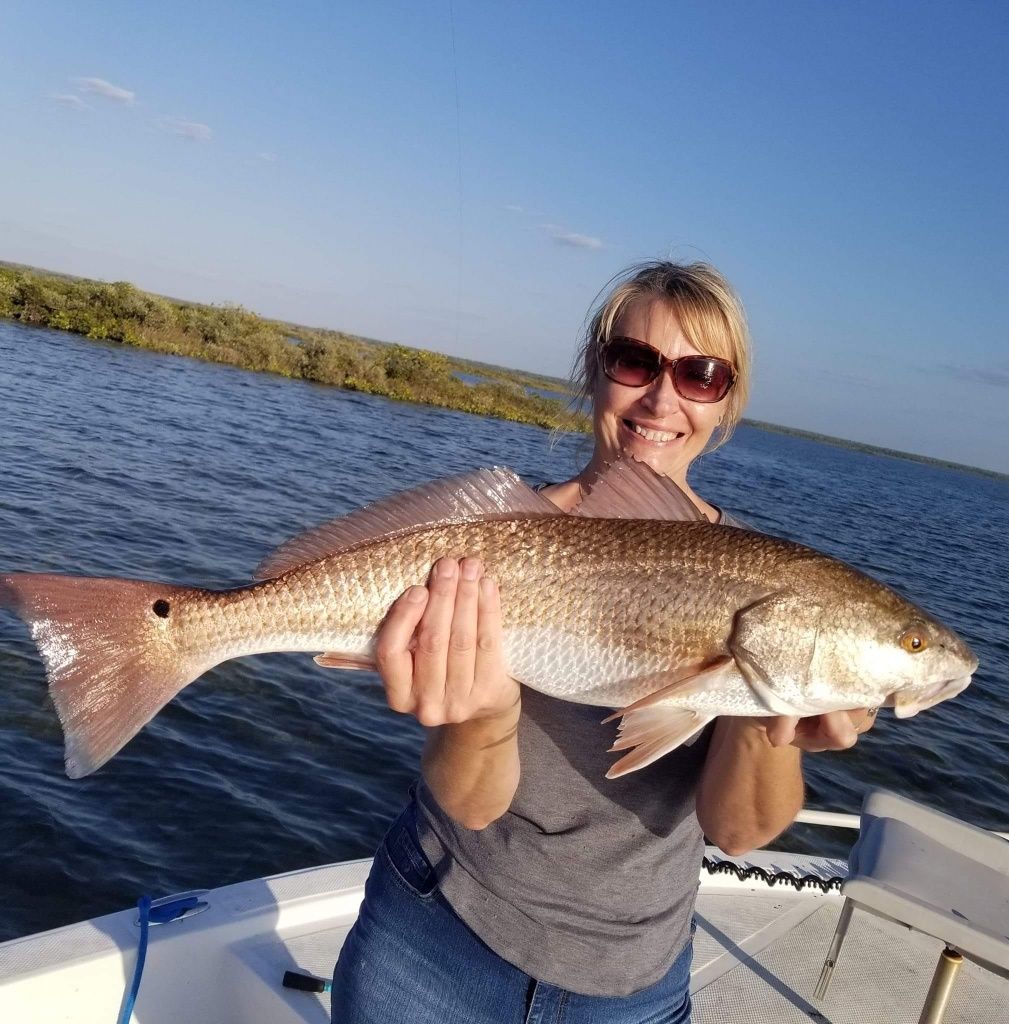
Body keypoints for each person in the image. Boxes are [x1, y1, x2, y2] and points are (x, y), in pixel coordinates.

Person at [331, 261, 877, 1023]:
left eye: (702, 375)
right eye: (634, 361)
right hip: (434, 936)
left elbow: (740, 832)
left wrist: (770, 712)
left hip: (632, 982)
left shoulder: (764, 585)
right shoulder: (488, 544)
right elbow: (470, 806)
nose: (662, 399)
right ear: (595, 368)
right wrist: (484, 717)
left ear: (728, 401)